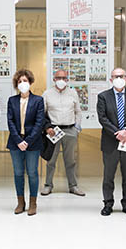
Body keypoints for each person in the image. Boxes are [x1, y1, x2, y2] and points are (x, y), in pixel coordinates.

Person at [96, 67, 126, 217]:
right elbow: (102, 118)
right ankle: (108, 203)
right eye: (115, 76)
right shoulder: (103, 96)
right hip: (110, 141)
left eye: (121, 76)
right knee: (108, 175)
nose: (118, 78)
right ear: (110, 79)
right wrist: (118, 132)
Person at [7, 69, 45, 216]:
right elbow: (10, 121)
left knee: (33, 173)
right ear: (16, 84)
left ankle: (33, 203)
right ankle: (20, 202)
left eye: (25, 81)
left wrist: (27, 141)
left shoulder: (38, 100)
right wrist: (18, 140)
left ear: (30, 82)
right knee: (18, 173)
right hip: (15, 142)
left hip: (32, 142)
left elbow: (39, 123)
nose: (22, 84)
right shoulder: (12, 100)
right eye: (20, 81)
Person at [41, 69, 84, 197]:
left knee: (70, 160)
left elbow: (78, 111)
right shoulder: (47, 94)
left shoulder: (72, 93)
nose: (61, 80)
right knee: (51, 160)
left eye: (64, 78)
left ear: (67, 79)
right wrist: (47, 128)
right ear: (54, 79)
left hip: (70, 130)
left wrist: (76, 127)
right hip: (53, 131)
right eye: (58, 78)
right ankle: (48, 185)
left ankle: (73, 186)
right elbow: (42, 114)